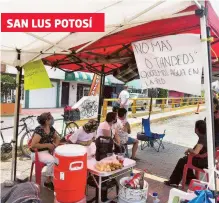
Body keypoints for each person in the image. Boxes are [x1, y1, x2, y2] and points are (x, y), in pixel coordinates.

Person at [164, 120, 207, 187]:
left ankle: (174, 182)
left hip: (202, 162)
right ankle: (190, 179)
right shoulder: (206, 136)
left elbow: (196, 152)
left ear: (196, 129)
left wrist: (189, 150)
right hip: (205, 160)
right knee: (185, 159)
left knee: (182, 161)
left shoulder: (202, 138)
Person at [30, 112, 60, 191]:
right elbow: (33, 145)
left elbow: (57, 138)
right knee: (52, 160)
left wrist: (54, 145)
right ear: (46, 121)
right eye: (51, 118)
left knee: (59, 159)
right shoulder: (39, 130)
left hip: (46, 152)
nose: (52, 119)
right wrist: (47, 145)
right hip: (37, 153)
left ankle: (57, 179)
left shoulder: (50, 128)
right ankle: (47, 182)